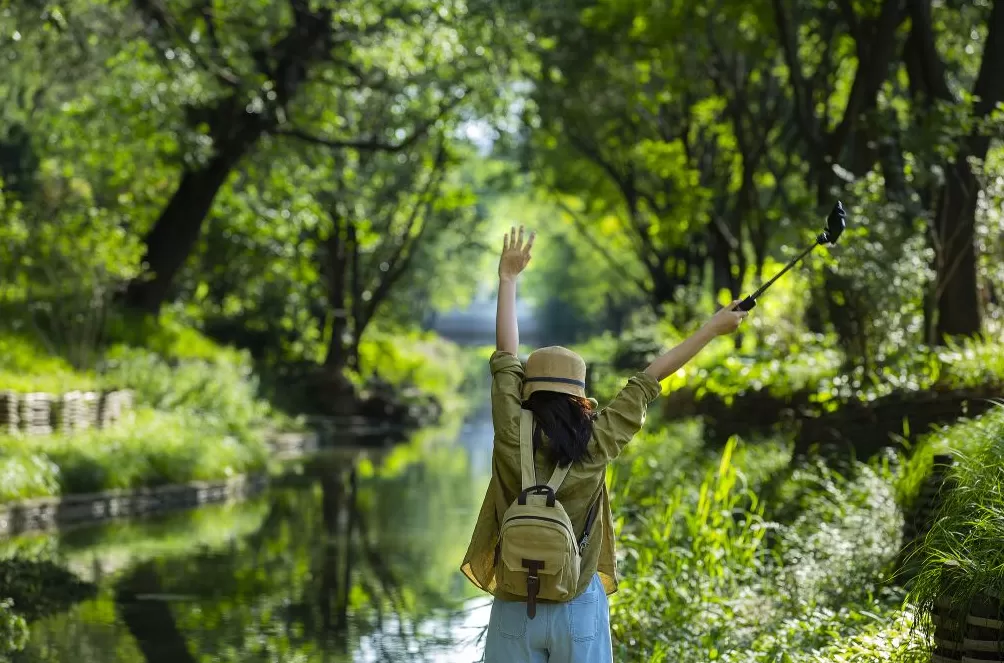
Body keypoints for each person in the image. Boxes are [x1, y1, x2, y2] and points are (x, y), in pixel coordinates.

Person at [461, 226, 748, 663]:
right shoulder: (597, 438)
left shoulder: (509, 429)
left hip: (514, 605)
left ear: (526, 392)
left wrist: (508, 279)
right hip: (577, 602)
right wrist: (711, 329)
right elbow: (649, 380)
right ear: (581, 398)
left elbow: (506, 355)